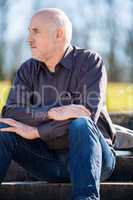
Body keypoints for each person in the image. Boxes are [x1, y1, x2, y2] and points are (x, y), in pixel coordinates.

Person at [0, 8, 116, 200]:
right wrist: (51, 113)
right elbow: (11, 112)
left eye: (35, 31)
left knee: (81, 124)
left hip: (94, 160)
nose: (29, 39)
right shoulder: (28, 69)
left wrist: (37, 131)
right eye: (29, 31)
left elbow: (87, 115)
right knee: (4, 128)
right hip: (47, 161)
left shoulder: (89, 62)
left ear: (59, 34)